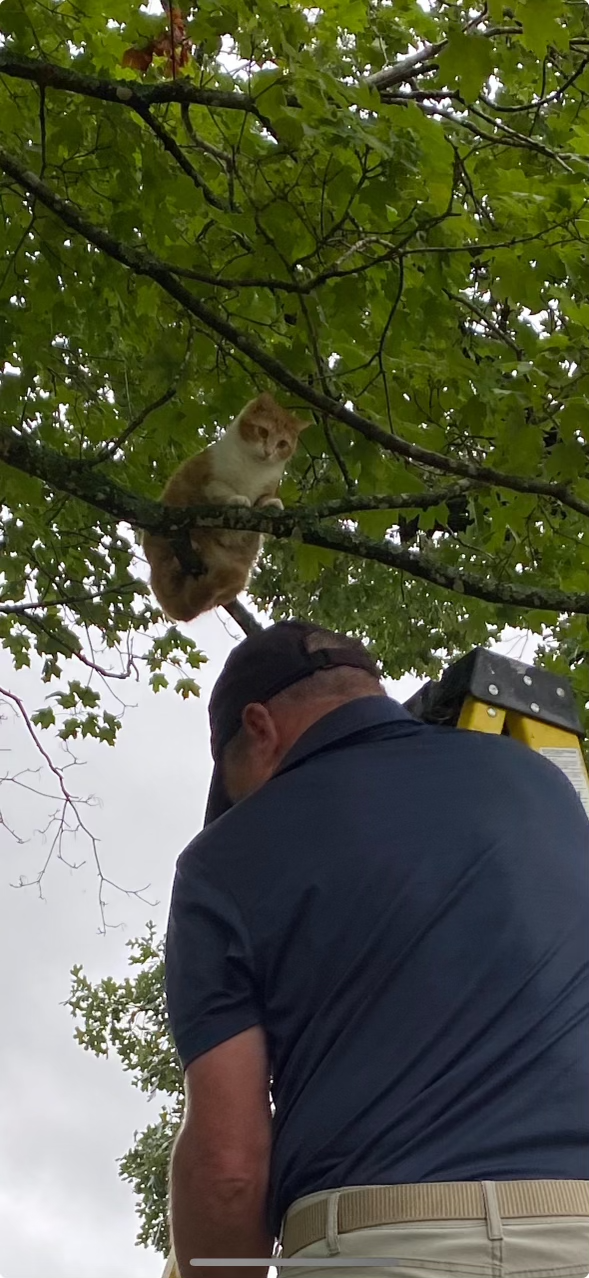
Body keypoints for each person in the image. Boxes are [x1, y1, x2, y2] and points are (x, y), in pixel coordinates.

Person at [165, 620, 589, 1278]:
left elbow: (229, 1171)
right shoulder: (546, 785)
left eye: (235, 781)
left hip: (380, 1244)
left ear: (258, 726)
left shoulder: (225, 860)